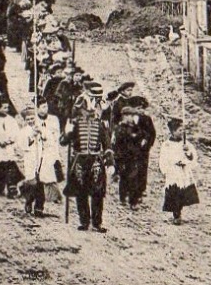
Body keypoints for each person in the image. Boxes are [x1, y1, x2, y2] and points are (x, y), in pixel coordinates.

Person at [63, 80, 112, 232]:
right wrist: (68, 131)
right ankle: (84, 221)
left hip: (96, 160)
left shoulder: (100, 124)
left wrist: (109, 162)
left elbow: (107, 144)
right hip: (79, 159)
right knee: (81, 192)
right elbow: (64, 141)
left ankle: (97, 222)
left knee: (97, 193)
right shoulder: (75, 123)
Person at [112, 99, 156, 208]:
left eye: (132, 116)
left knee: (134, 177)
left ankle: (133, 201)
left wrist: (143, 141)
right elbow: (117, 144)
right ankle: (123, 197)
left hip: (134, 156)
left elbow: (145, 134)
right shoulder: (119, 129)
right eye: (130, 116)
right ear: (124, 116)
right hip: (123, 157)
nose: (132, 118)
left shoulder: (135, 127)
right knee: (124, 177)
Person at [159, 118, 199, 225]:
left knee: (182, 192)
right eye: (179, 130)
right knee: (174, 191)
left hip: (183, 171)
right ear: (172, 131)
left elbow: (192, 157)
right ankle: (176, 214)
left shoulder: (186, 144)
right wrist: (167, 169)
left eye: (183, 130)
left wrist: (188, 153)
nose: (182, 132)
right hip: (173, 172)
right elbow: (163, 158)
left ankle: (179, 210)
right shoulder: (166, 145)